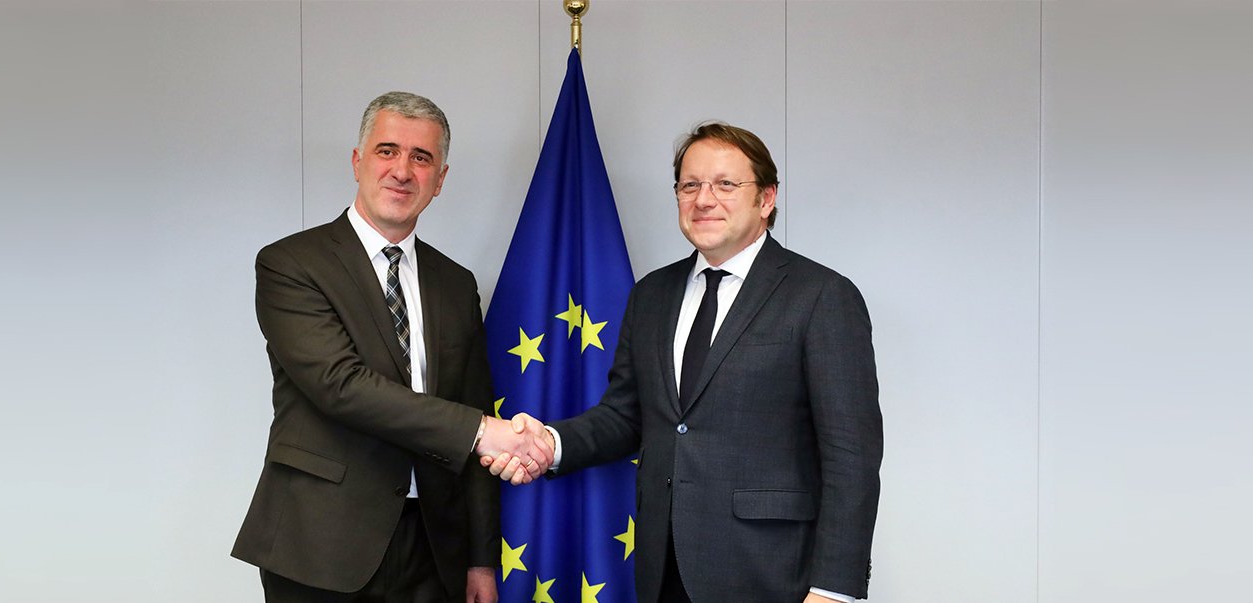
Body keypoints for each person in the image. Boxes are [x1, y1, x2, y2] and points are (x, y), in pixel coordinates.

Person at [486, 122, 883, 602]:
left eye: (725, 184)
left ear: (766, 198)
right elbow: (625, 416)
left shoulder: (822, 296)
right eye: (690, 185)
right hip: (663, 567)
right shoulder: (652, 294)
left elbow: (851, 457)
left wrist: (834, 590)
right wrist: (549, 444)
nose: (704, 199)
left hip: (774, 573)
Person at [233, 91, 551, 603]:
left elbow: (475, 405)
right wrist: (481, 432)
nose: (402, 170)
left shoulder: (456, 284)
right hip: (320, 542)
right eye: (387, 151)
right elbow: (341, 385)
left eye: (421, 158)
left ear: (439, 180)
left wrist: (480, 560)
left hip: (433, 547)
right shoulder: (291, 264)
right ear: (357, 161)